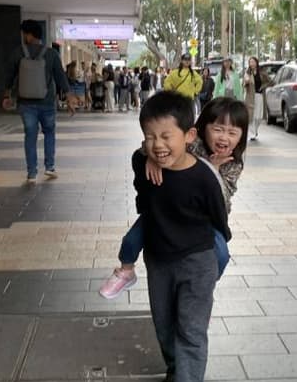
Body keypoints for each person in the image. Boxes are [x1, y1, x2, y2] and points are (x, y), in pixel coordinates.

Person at [128, 91, 231, 382]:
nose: (157, 145)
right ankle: (176, 372)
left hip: (198, 261)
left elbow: (220, 220)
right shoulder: (143, 164)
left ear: (189, 136)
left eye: (165, 136)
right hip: (159, 260)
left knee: (190, 330)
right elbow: (137, 158)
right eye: (149, 136)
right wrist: (149, 158)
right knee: (164, 325)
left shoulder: (203, 178)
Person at [99, 97, 248, 300]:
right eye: (218, 129)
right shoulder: (191, 143)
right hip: (168, 208)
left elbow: (223, 201)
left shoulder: (234, 163)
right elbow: (155, 143)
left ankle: (201, 287)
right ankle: (126, 271)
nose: (224, 137)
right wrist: (151, 158)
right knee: (132, 240)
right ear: (202, 128)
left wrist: (214, 171)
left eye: (232, 133)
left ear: (241, 136)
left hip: (204, 219)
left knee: (221, 255)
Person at [4, 20, 78, 183]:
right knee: (49, 133)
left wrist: (7, 95)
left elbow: (9, 75)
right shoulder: (51, 53)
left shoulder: (18, 52)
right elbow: (60, 76)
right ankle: (49, 167)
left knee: (30, 135)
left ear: (29, 35)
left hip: (25, 103)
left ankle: (32, 173)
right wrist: (69, 97)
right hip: (47, 102)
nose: (23, 37)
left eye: (24, 34)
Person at [243, 55, 264, 140]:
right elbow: (245, 80)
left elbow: (268, 81)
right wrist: (247, 81)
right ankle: (253, 133)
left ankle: (255, 129)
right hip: (250, 96)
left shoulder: (261, 72)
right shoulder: (248, 72)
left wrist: (264, 86)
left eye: (253, 62)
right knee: (252, 115)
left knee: (259, 116)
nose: (251, 63)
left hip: (259, 95)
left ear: (256, 63)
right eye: (250, 62)